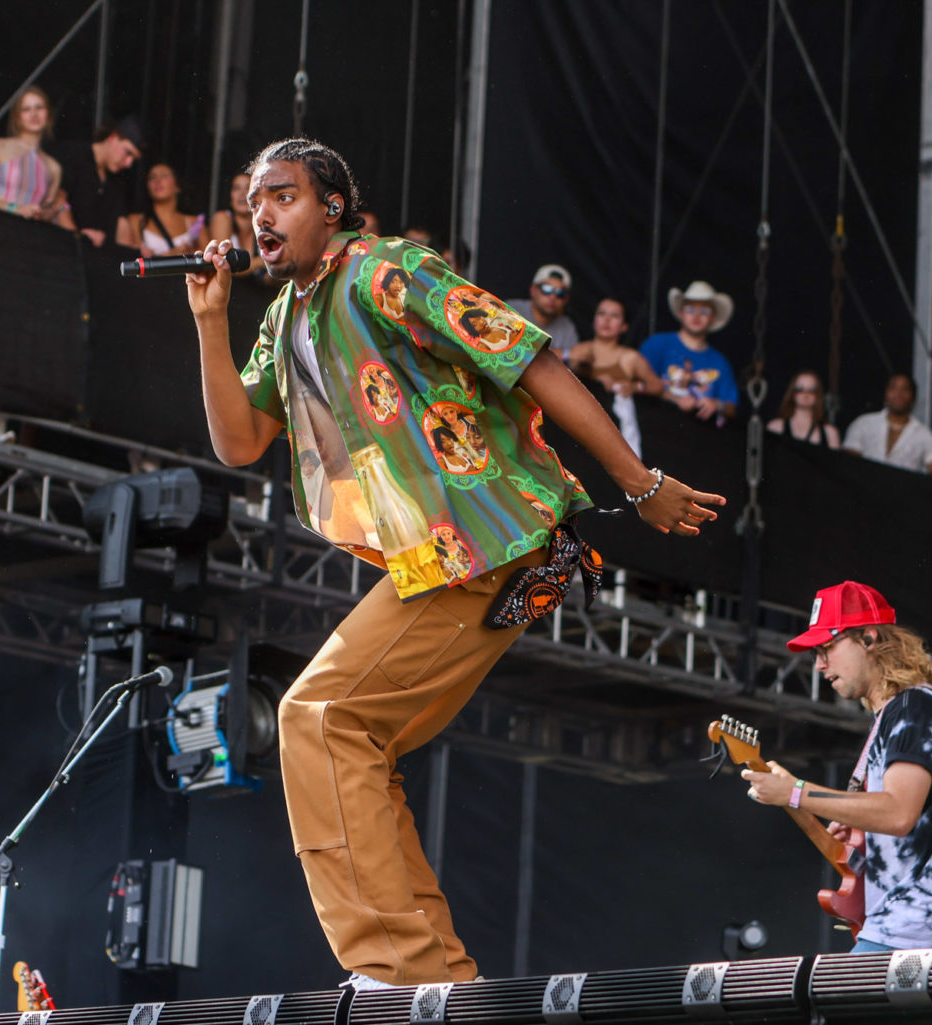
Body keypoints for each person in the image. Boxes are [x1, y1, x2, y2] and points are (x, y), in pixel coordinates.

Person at [185, 137, 725, 990]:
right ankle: (436, 977)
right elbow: (239, 440)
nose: (262, 215)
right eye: (253, 203)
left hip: (489, 535)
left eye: (282, 195)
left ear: (332, 206)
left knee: (319, 718)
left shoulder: (388, 268)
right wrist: (211, 321)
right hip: (445, 559)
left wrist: (639, 481)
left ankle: (395, 967)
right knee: (354, 738)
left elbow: (529, 356)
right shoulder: (285, 316)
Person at [737, 581, 932, 952]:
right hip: (912, 927)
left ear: (869, 638)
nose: (819, 664)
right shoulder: (897, 714)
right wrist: (860, 827)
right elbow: (912, 820)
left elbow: (898, 813)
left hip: (921, 930)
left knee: (820, 990)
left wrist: (795, 792)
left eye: (827, 648)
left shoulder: (914, 707)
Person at [565, 298, 664, 457]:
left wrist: (634, 387)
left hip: (614, 431)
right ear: (594, 321)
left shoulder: (631, 357)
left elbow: (657, 386)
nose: (607, 320)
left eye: (615, 316)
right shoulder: (579, 350)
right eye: (602, 314)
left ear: (624, 326)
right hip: (579, 425)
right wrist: (592, 375)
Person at [639, 280, 739, 423]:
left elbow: (732, 407)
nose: (696, 316)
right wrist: (675, 399)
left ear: (713, 318)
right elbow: (638, 383)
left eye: (704, 311)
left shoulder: (720, 362)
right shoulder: (657, 344)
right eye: (690, 309)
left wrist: (717, 404)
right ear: (681, 313)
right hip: (654, 425)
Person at [0, 85, 64, 221]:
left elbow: (48, 213)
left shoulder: (54, 167)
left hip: (29, 231)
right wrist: (14, 209)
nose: (34, 114)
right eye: (26, 109)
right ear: (17, 117)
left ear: (48, 114)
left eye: (39, 107)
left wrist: (47, 213)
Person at [52, 115, 144, 247]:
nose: (129, 163)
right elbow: (59, 201)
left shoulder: (116, 180)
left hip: (96, 255)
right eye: (128, 152)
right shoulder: (74, 155)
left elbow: (122, 224)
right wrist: (77, 238)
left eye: (133, 159)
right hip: (65, 248)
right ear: (113, 138)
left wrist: (135, 251)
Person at [842, 373, 932, 480]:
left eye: (905, 389)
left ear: (913, 397)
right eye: (893, 388)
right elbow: (848, 463)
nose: (898, 394)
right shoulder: (863, 424)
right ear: (885, 393)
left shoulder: (925, 436)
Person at [126, 162, 204, 257]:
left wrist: (191, 251)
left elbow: (206, 256)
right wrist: (170, 254)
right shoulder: (137, 220)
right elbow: (132, 258)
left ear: (177, 186)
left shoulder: (194, 221)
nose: (157, 181)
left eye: (164, 176)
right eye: (152, 177)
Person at [507, 263, 578, 356]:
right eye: (547, 289)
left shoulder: (567, 327)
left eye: (561, 293)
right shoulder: (511, 309)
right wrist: (564, 354)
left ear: (566, 299)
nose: (553, 297)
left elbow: (574, 360)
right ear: (533, 290)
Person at [206, 171, 265, 276]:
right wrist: (264, 261)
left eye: (248, 188)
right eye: (236, 188)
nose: (242, 194)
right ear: (230, 196)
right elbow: (222, 264)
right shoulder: (223, 218)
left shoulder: (263, 223)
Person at [767, 369, 840, 448]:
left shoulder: (830, 433)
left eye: (812, 390)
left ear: (818, 395)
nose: (805, 394)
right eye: (800, 389)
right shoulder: (775, 428)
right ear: (792, 393)